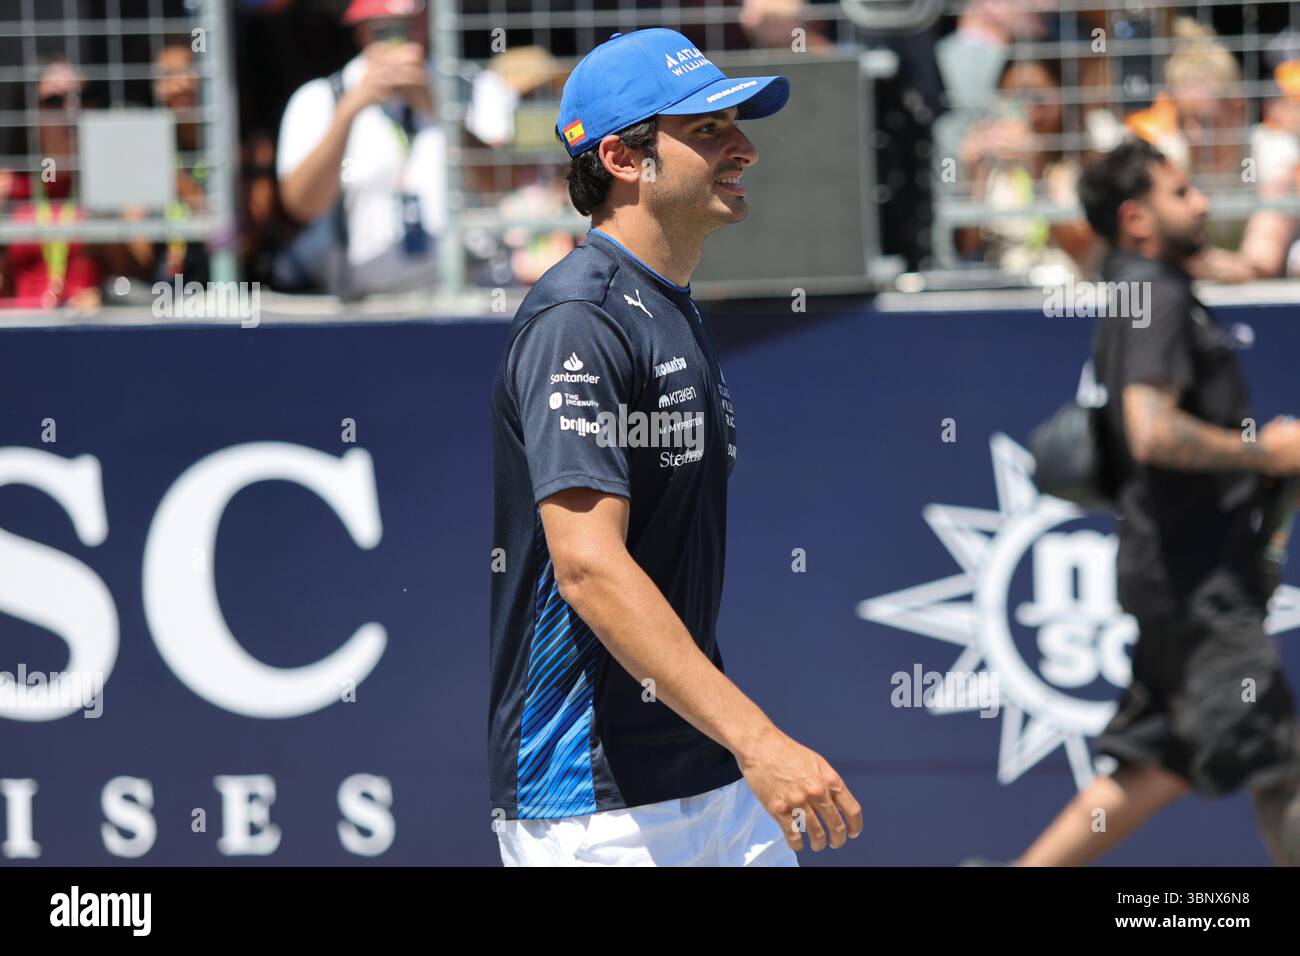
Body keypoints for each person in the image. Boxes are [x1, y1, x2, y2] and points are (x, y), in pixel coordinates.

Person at [488, 28, 862, 867]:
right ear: (624, 160)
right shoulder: (577, 317)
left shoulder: (667, 305)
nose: (746, 150)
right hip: (592, 805)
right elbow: (588, 567)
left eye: (734, 126)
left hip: (700, 776)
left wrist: (738, 748)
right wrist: (761, 741)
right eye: (708, 132)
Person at [1017, 139, 1300, 866]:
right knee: (1283, 763)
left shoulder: (1149, 282)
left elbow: (1250, 264)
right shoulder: (1157, 297)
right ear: (1137, 218)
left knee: (1157, 763)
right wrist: (1265, 454)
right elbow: (1151, 431)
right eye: (1183, 192)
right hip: (1195, 582)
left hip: (1177, 574)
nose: (1203, 201)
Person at [276, 0, 444, 297]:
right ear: (360, 32)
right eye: (383, 30)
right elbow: (301, 206)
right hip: (354, 305)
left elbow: (500, 187)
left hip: (454, 296)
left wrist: (440, 111)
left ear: (427, 21)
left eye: (407, 26)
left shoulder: (464, 87)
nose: (397, 41)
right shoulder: (318, 98)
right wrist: (348, 112)